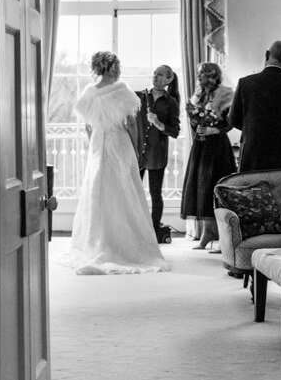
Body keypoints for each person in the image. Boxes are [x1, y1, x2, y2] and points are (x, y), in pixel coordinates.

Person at [64, 51, 169, 275]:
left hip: (98, 142)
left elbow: (87, 126)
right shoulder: (123, 91)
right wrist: (137, 149)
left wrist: (93, 143)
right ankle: (128, 244)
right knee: (125, 189)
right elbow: (131, 125)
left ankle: (96, 242)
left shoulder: (89, 92)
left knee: (97, 189)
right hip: (119, 142)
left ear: (96, 67)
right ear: (115, 67)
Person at [180, 62, 237, 248]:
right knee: (201, 187)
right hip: (201, 146)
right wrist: (198, 126)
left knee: (216, 186)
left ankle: (223, 235)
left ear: (212, 75)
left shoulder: (226, 93)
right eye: (198, 74)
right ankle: (207, 232)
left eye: (202, 74)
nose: (199, 77)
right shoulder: (198, 95)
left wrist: (215, 129)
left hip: (218, 147)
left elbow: (231, 121)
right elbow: (194, 118)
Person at [228, 39, 281, 172]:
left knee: (251, 188)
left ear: (267, 54)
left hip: (253, 149)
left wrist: (252, 128)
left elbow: (233, 119)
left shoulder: (246, 83)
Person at [135, 65, 181, 237]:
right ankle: (135, 229)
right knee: (133, 192)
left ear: (168, 80)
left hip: (157, 154)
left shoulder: (171, 102)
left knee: (155, 193)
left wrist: (160, 124)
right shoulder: (139, 96)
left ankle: (154, 232)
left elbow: (175, 131)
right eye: (154, 73)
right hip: (137, 153)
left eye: (160, 74)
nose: (155, 76)